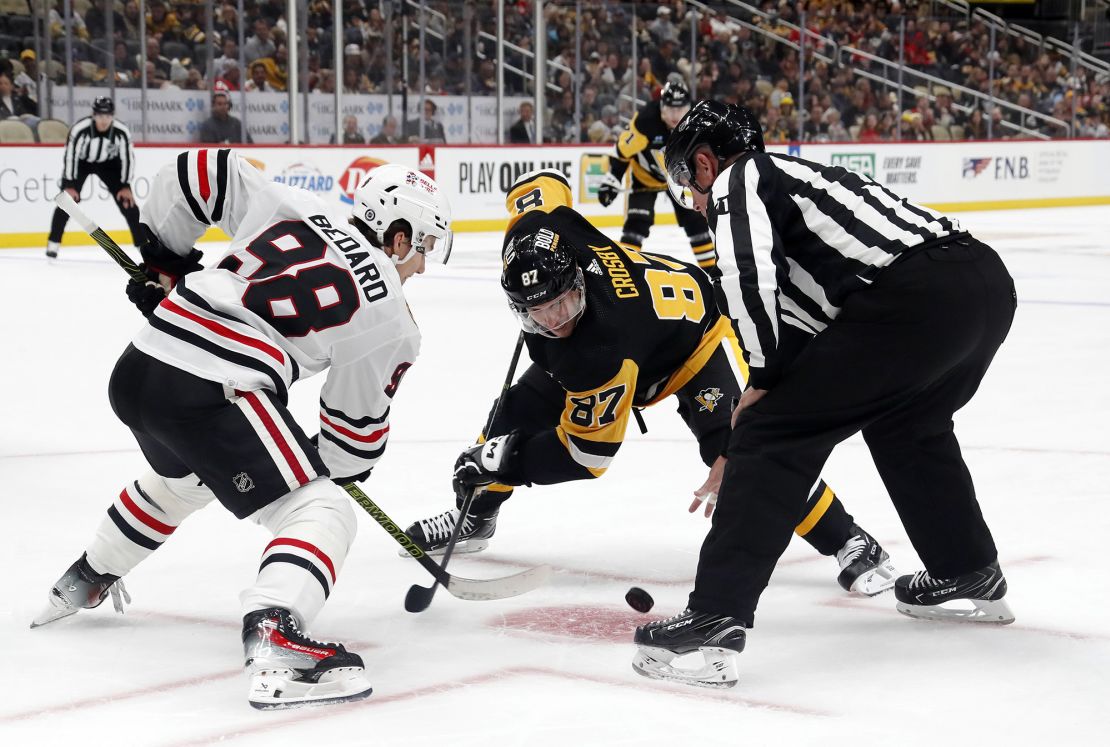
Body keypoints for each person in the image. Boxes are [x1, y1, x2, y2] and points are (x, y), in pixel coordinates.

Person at [31, 153, 454, 710]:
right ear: (398, 237)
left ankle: (88, 574)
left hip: (141, 365)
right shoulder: (394, 316)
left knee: (188, 480)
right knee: (322, 510)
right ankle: (276, 634)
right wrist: (321, 460)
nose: (420, 268)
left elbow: (198, 173)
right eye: (421, 248)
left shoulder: (299, 206)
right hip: (212, 385)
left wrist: (167, 264)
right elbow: (351, 446)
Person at [633, 100, 1017, 688]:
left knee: (773, 434)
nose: (694, 199)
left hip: (913, 298)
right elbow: (827, 352)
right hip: (980, 288)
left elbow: (745, 273)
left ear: (706, 163)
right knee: (907, 425)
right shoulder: (797, 184)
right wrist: (760, 413)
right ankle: (967, 570)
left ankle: (716, 614)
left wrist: (759, 387)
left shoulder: (743, 176)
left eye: (689, 183)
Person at [404, 169, 897, 602]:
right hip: (633, 324)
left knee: (744, 454)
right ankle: (477, 516)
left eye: (561, 303)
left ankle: (849, 539)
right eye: (538, 310)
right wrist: (502, 448)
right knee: (509, 414)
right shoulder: (539, 230)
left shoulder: (602, 347)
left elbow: (588, 456)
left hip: (688, 343)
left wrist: (504, 460)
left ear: (578, 279)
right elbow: (543, 188)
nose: (554, 322)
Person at [598, 80, 717, 275]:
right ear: (661, 106)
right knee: (636, 224)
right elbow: (622, 152)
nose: (675, 116)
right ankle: (622, 273)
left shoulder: (697, 119)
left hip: (681, 179)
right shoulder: (645, 121)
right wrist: (612, 178)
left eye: (680, 109)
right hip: (645, 178)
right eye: (670, 109)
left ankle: (713, 273)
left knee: (697, 224)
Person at [45, 97, 140, 259]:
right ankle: (53, 244)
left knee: (128, 204)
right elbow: (70, 156)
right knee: (66, 201)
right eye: (100, 116)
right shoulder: (80, 129)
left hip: (109, 165)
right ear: (93, 115)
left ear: (113, 116)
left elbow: (127, 158)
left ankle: (143, 246)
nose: (104, 121)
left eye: (108, 116)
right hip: (82, 163)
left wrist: (125, 185)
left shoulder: (121, 131)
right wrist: (69, 184)